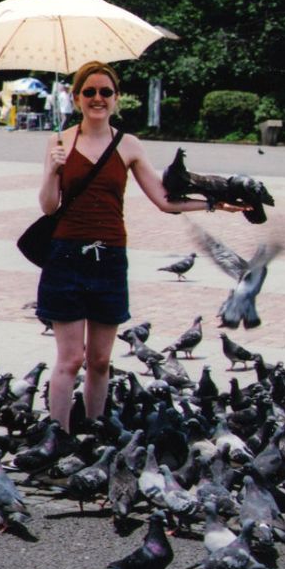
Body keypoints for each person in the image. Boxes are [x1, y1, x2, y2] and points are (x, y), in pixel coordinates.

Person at [36, 60, 246, 432]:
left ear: (116, 98)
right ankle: (58, 437)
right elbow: (49, 206)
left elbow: (164, 200)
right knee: (70, 359)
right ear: (76, 97)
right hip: (66, 256)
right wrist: (53, 170)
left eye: (105, 92)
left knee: (100, 360)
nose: (97, 98)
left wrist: (214, 203)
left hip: (110, 258)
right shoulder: (58, 142)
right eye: (89, 92)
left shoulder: (128, 144)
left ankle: (96, 432)